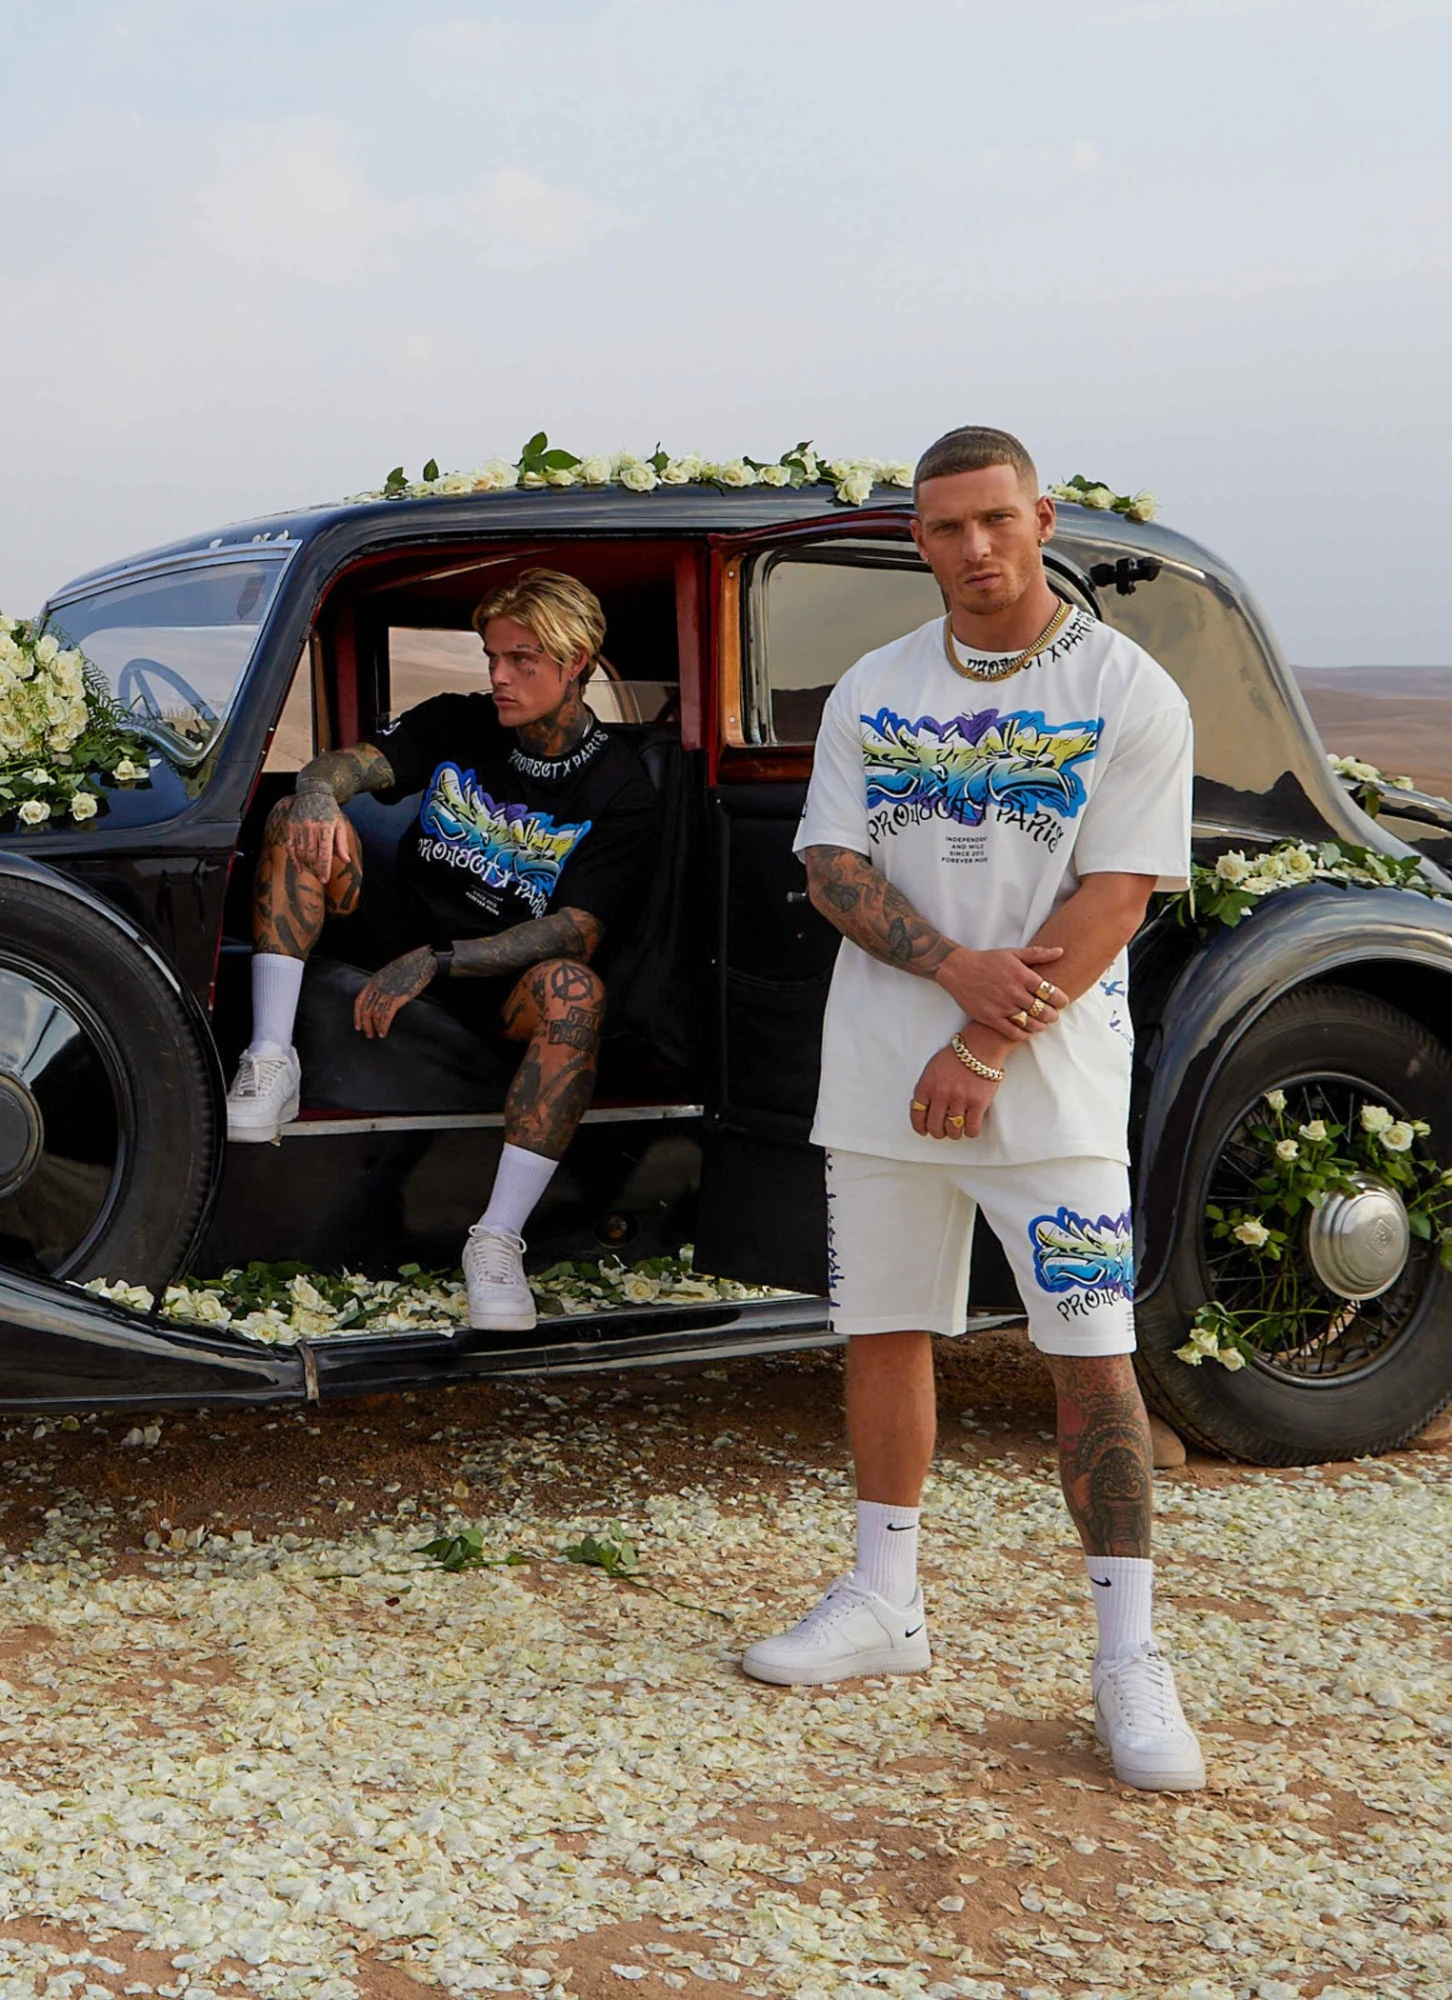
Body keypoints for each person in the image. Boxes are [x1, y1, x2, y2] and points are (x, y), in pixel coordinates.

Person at [741, 427, 1205, 1793]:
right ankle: (885, 1599)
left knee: (1090, 1354)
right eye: (946, 527)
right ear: (918, 540)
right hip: (879, 1071)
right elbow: (832, 865)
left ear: (1042, 518)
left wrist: (986, 1044)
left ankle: (1128, 1657)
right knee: (884, 1329)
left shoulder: (1127, 690)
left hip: (1052, 1090)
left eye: (997, 518)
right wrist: (951, 972)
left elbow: (1116, 896)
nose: (975, 547)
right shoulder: (876, 685)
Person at [224, 568, 658, 1332]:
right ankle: (269, 1056)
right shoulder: (460, 720)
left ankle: (496, 1242)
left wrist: (442, 960)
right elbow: (348, 764)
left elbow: (574, 930)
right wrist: (321, 793)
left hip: (497, 976)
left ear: (576, 662)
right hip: (397, 923)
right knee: (297, 814)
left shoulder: (621, 787)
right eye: (492, 657)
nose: (499, 676)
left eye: (522, 659)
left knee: (575, 991)